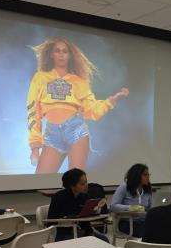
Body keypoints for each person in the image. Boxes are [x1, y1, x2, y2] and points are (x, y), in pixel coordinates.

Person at [27, 36, 129, 174]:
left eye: (65, 51)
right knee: (41, 185)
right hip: (52, 134)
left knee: (75, 183)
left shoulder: (79, 81)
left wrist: (111, 101)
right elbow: (33, 111)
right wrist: (35, 148)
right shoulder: (40, 77)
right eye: (57, 51)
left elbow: (91, 111)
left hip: (76, 131)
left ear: (70, 56)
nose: (61, 54)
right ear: (51, 54)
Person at [47, 168, 109, 242]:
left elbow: (86, 216)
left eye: (86, 182)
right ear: (72, 186)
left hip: (81, 230)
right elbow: (51, 221)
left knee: (104, 240)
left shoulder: (83, 196)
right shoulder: (59, 197)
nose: (86, 185)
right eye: (82, 184)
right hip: (62, 232)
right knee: (84, 243)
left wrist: (98, 207)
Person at [110, 164, 152, 238]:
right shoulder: (124, 187)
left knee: (160, 230)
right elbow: (113, 206)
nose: (148, 176)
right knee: (148, 234)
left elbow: (149, 208)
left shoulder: (147, 190)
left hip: (144, 222)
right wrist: (132, 208)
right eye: (145, 174)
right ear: (136, 176)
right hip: (127, 223)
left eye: (148, 174)